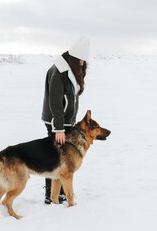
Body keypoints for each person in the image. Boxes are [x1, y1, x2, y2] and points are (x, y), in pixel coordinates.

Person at [41, 37, 90, 204]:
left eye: (85, 60)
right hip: (56, 122)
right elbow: (55, 104)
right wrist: (59, 129)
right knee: (53, 159)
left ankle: (61, 192)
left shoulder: (71, 70)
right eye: (81, 60)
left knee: (65, 159)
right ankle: (50, 195)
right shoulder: (58, 72)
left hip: (66, 122)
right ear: (74, 57)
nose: (83, 63)